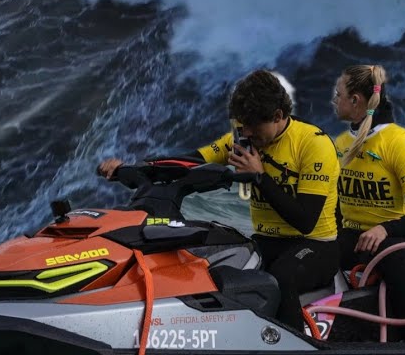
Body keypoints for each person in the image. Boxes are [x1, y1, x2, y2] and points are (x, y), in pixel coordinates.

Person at [98, 69, 340, 333]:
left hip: (315, 244)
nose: (247, 132)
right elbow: (188, 161)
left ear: (278, 116)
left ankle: (295, 346)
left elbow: (305, 221)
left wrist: (260, 177)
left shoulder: (313, 144)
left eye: (253, 125)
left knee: (281, 278)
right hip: (267, 240)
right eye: (242, 124)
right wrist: (131, 168)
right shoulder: (244, 139)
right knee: (212, 267)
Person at [332, 65, 405, 341]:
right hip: (353, 239)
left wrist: (384, 229)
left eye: (338, 94)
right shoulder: (341, 144)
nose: (334, 99)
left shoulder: (398, 142)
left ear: (356, 100)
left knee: (389, 257)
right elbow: (334, 208)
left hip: (397, 241)